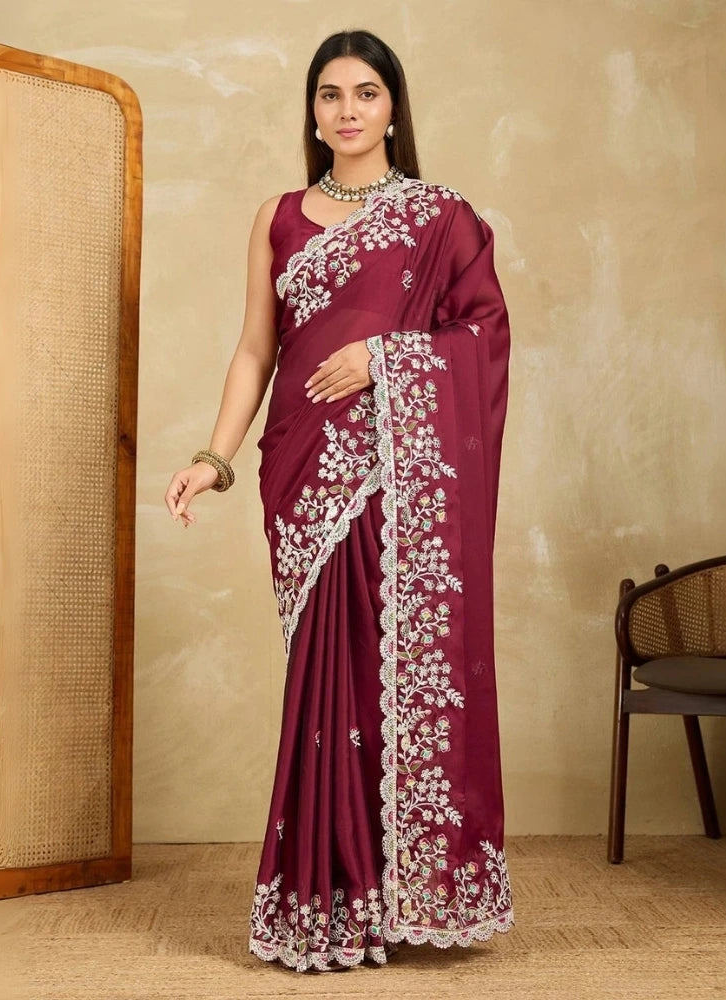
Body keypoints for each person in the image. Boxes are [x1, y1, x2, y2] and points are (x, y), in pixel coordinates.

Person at [164, 28, 513, 973]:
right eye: (330, 95)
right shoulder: (278, 218)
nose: (347, 110)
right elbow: (256, 349)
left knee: (377, 668)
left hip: (392, 478)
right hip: (302, 472)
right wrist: (214, 457)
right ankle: (329, 896)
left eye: (366, 93)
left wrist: (384, 360)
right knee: (326, 681)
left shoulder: (441, 219)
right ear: (313, 113)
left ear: (394, 108)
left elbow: (482, 336)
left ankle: (396, 894)